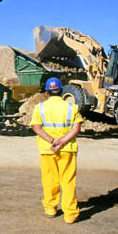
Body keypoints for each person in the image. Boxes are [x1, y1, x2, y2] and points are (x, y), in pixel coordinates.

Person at [30, 77, 83, 224]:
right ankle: (70, 215)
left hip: (48, 150)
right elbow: (76, 128)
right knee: (68, 180)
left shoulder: (40, 108)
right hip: (67, 149)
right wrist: (63, 142)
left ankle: (50, 208)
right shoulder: (72, 107)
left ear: (47, 91)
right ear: (61, 90)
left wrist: (53, 142)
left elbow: (36, 128)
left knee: (49, 179)